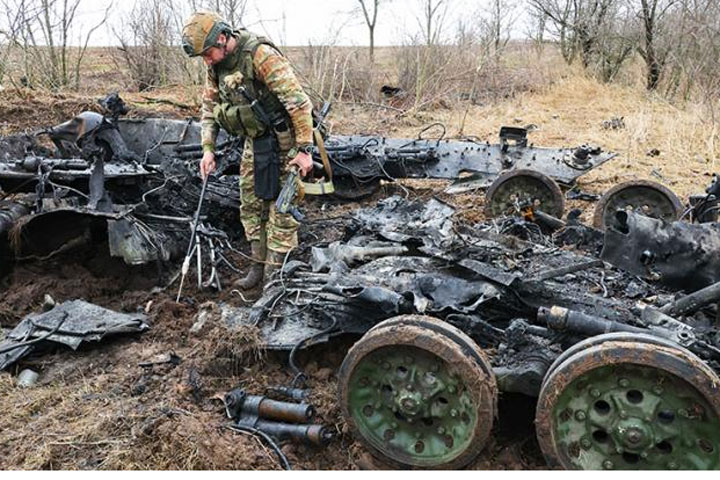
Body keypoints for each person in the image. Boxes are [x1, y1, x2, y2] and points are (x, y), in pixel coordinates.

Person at [181, 11, 314, 289]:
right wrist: (208, 149)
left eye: (207, 53)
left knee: (282, 210)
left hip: (287, 142)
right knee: (252, 205)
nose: (206, 60)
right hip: (256, 141)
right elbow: (209, 108)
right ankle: (257, 268)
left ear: (222, 37)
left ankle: (274, 278)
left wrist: (303, 150)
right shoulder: (215, 65)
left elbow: (298, 103)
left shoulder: (260, 55)